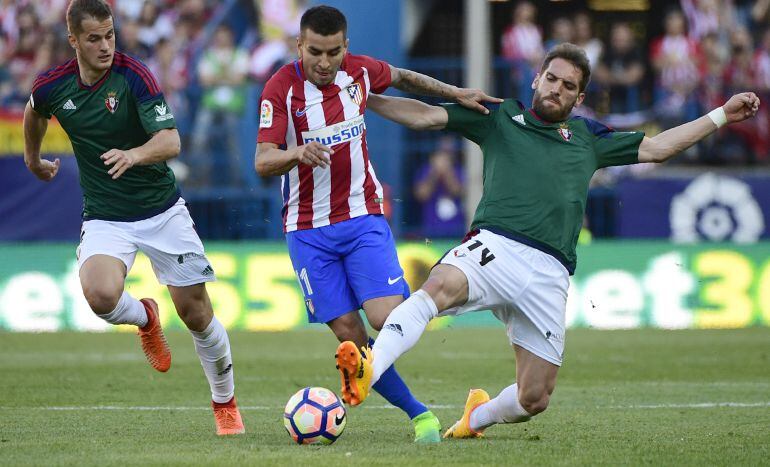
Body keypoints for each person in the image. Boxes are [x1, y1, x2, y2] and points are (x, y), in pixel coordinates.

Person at [335, 42, 760, 439]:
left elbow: (659, 148)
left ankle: (475, 417)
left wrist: (721, 114)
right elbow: (423, 116)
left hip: (549, 274)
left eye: (568, 86)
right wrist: (362, 99)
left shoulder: (588, 137)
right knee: (440, 285)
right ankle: (371, 367)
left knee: (533, 399)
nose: (557, 89)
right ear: (537, 79)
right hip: (495, 245)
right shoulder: (500, 116)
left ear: (579, 98)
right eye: (552, 79)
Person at [255, 5, 500, 443]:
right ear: (299, 45)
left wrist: (454, 92)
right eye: (315, 52)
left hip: (362, 217)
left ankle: (431, 311)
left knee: (385, 317)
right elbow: (262, 160)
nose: (325, 62)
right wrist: (296, 153)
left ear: (345, 47)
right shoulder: (279, 89)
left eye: (333, 52)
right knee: (350, 335)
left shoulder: (359, 71)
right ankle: (420, 415)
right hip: (307, 231)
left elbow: (404, 77)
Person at [22, 0, 244, 436]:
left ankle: (225, 403)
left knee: (196, 313)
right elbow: (34, 110)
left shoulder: (133, 75)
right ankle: (145, 317)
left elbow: (172, 141)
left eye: (110, 35)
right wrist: (32, 159)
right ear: (73, 40)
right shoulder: (53, 85)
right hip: (106, 216)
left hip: (162, 211)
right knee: (100, 295)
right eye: (94, 39)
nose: (106, 46)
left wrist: (134, 154)